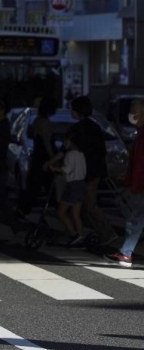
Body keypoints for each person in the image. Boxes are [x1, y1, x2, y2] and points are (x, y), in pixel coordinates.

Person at [46, 96, 116, 245]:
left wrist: (51, 163)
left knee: (85, 204)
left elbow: (64, 149)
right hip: (95, 171)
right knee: (83, 203)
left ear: (78, 111)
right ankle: (80, 233)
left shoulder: (77, 130)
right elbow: (102, 151)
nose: (71, 111)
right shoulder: (95, 127)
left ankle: (106, 233)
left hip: (81, 173)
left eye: (73, 109)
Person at [105, 99, 144, 268]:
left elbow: (140, 164)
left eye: (133, 110)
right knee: (136, 219)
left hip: (140, 184)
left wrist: (132, 182)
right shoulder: (140, 133)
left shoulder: (142, 135)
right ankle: (125, 252)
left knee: (134, 219)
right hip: (138, 182)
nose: (130, 114)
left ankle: (126, 253)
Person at [18, 97, 58, 217]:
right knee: (49, 187)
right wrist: (53, 159)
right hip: (44, 158)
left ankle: (23, 210)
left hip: (38, 157)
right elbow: (47, 142)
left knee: (35, 186)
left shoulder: (37, 121)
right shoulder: (45, 123)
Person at [49, 133, 87, 246]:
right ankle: (80, 238)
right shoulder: (81, 154)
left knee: (61, 211)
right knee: (76, 213)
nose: (64, 144)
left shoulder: (70, 154)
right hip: (81, 184)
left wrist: (54, 168)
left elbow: (66, 170)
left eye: (66, 141)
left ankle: (73, 234)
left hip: (73, 185)